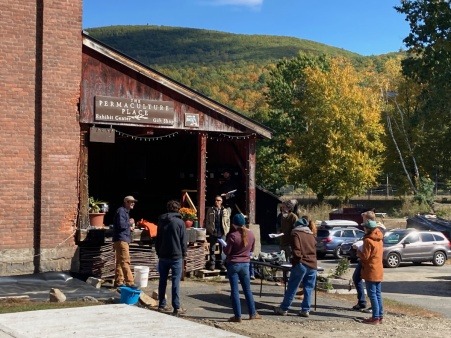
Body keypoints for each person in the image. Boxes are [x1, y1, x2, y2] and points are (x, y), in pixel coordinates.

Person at [274, 217, 317, 317]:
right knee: (308, 288)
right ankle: (305, 310)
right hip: (313, 264)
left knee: (292, 287)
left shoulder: (296, 233)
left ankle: (284, 308)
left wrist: (296, 260)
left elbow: (296, 250)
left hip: (301, 264)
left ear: (296, 226)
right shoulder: (311, 235)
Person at [223, 213, 261, 322]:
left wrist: (224, 245)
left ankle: (237, 316)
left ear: (234, 224)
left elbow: (227, 251)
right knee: (247, 289)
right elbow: (252, 250)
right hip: (246, 264)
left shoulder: (233, 236)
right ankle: (252, 313)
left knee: (234, 290)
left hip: (234, 264)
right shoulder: (251, 234)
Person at [155, 200, 187, 317]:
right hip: (176, 255)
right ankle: (176, 307)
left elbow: (158, 239)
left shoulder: (161, 221)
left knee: (162, 280)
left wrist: (158, 252)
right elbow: (183, 241)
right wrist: (184, 254)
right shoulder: (180, 222)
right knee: (175, 282)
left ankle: (161, 305)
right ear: (178, 209)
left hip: (163, 255)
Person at [358, 216, 384, 325]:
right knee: (378, 294)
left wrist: (358, 251)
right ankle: (380, 315)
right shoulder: (380, 239)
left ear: (368, 229)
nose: (364, 229)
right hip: (378, 269)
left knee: (372, 294)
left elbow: (365, 256)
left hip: (371, 270)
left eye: (365, 228)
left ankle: (375, 317)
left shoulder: (368, 240)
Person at [351, 210, 376, 312]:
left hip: (368, 260)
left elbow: (370, 246)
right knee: (356, 278)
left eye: (364, 219)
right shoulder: (368, 232)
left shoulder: (374, 230)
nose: (362, 221)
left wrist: (359, 251)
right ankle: (362, 302)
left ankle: (372, 306)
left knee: (371, 284)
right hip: (364, 258)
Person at [112, 196, 138, 287]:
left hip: (121, 239)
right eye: (131, 202)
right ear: (126, 202)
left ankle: (119, 281)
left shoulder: (124, 212)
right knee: (125, 261)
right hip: (121, 239)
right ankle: (130, 282)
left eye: (134, 202)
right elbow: (121, 225)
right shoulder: (121, 211)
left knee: (120, 261)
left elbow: (122, 226)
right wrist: (130, 223)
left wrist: (129, 228)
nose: (133, 203)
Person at [205, 195, 230, 271]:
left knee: (222, 249)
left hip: (222, 233)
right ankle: (212, 264)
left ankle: (221, 264)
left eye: (218, 200)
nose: (217, 201)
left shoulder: (225, 211)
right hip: (213, 232)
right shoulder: (210, 210)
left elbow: (228, 221)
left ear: (221, 202)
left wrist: (227, 229)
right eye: (216, 200)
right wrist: (209, 229)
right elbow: (207, 221)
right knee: (212, 249)